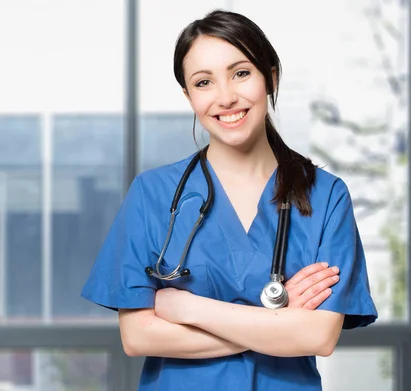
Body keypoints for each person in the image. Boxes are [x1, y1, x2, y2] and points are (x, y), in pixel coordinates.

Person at [81, 9, 377, 391]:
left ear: (270, 78)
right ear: (189, 96)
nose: (225, 97)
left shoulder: (325, 196)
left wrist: (187, 308)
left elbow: (318, 337)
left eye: (241, 73)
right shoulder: (153, 194)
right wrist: (278, 320)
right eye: (204, 82)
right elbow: (139, 337)